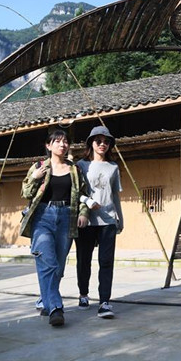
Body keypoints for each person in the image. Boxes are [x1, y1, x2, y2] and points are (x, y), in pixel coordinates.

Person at [20, 129, 89, 327]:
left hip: (67, 217)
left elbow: (83, 194)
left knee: (57, 267)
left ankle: (46, 301)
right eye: (57, 141)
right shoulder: (39, 167)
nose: (62, 144)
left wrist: (84, 213)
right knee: (47, 261)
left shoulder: (75, 170)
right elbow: (25, 193)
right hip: (43, 216)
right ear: (48, 146)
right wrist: (35, 177)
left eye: (65, 141)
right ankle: (56, 308)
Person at [75, 126, 124, 319]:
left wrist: (120, 217)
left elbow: (115, 195)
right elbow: (75, 192)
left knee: (106, 261)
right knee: (83, 260)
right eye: (98, 141)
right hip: (86, 219)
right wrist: (86, 203)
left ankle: (104, 302)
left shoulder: (113, 167)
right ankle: (83, 294)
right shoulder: (81, 165)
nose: (102, 144)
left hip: (108, 220)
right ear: (91, 143)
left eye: (106, 141)